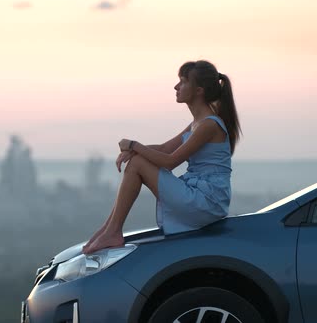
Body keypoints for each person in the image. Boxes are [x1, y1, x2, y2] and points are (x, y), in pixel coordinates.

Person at [82, 60, 242, 254]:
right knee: (136, 161)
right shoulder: (198, 123)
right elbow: (165, 149)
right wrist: (133, 151)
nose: (176, 86)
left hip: (206, 202)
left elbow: (170, 162)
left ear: (199, 90)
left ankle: (113, 230)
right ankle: (109, 229)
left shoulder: (209, 125)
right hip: (199, 195)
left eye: (183, 82)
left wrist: (134, 146)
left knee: (138, 163)